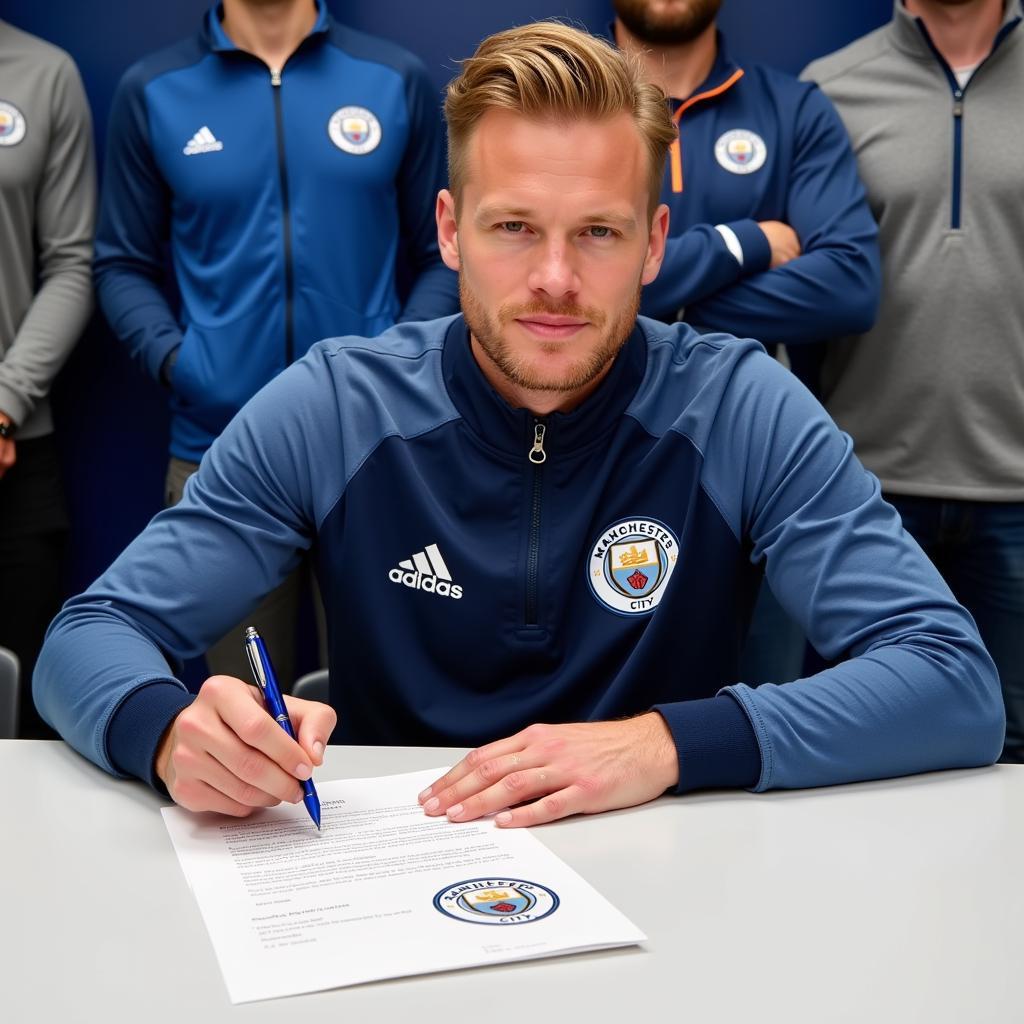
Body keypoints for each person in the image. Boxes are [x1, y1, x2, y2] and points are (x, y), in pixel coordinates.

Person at [36, 22, 1003, 826]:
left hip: (678, 877)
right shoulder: (335, 405)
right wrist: (167, 732)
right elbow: (90, 636)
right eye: (513, 228)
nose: (553, 279)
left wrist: (665, 744)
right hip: (399, 873)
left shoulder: (741, 405)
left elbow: (953, 684)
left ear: (656, 242)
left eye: (598, 231)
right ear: (451, 230)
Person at [93, 0, 458, 687]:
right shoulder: (157, 89)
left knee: (386, 704)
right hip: (220, 451)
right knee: (250, 716)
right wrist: (183, 364)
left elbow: (443, 251)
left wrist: (400, 367)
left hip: (376, 449)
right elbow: (121, 263)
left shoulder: (391, 78)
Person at [612, 0, 882, 685]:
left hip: (754, 471)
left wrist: (646, 285)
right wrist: (747, 241)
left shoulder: (792, 110)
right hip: (597, 462)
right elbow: (554, 278)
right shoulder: (570, 112)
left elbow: (848, 285)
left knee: (759, 723)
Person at [803, 0, 1024, 763]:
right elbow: (812, 295)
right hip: (865, 497)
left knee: (1015, 759)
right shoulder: (830, 88)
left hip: (1018, 497)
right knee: (856, 752)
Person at [0, 19, 96, 738]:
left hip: (13, 450)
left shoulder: (44, 70)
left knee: (24, 703)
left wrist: (4, 406)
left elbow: (70, 263)